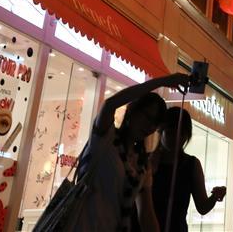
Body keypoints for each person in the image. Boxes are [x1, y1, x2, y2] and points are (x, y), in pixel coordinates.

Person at [65, 72, 189, 232]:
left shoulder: (143, 164)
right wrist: (163, 81)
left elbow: (146, 213)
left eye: (154, 123)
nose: (149, 126)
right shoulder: (105, 138)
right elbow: (110, 104)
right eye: (147, 116)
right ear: (133, 111)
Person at [142, 107, 225, 232]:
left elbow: (202, 207)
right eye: (170, 132)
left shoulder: (192, 164)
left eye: (181, 134)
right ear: (161, 131)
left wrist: (215, 196)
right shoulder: (145, 161)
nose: (176, 138)